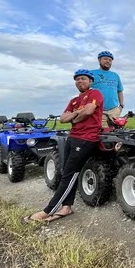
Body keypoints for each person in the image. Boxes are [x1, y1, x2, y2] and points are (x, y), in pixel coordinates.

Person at [24, 69, 104, 223]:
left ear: (90, 81)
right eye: (77, 79)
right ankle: (66, 207)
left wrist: (73, 117)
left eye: (83, 79)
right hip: (72, 138)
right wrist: (75, 115)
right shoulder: (74, 100)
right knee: (64, 171)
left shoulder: (95, 94)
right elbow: (63, 118)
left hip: (86, 139)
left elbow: (88, 111)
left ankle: (48, 211)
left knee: (70, 174)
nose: (80, 81)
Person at [90, 50, 124, 125]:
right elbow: (85, 89)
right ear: (99, 60)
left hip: (114, 110)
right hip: (98, 110)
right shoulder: (92, 73)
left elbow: (120, 91)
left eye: (110, 60)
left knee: (116, 132)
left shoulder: (115, 75)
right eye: (105, 59)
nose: (108, 61)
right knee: (102, 133)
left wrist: (121, 106)